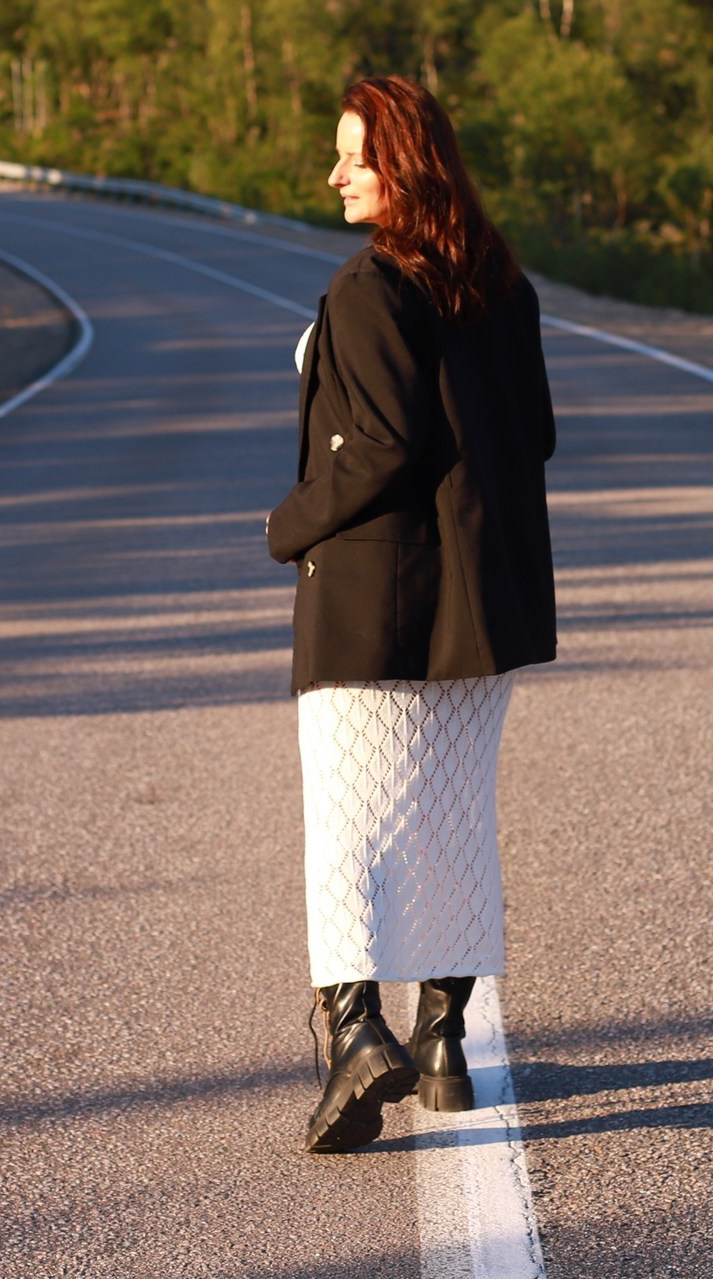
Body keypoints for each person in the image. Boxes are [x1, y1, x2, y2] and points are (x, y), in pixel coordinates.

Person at [266, 75, 558, 1155]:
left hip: (370, 602)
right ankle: (443, 1041)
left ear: (407, 164)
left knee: (349, 827)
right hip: (482, 605)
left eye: (355, 156)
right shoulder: (504, 286)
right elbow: (535, 436)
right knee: (450, 819)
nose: (334, 175)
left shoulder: (368, 286)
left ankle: (355, 1033)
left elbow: (381, 446)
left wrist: (289, 523)